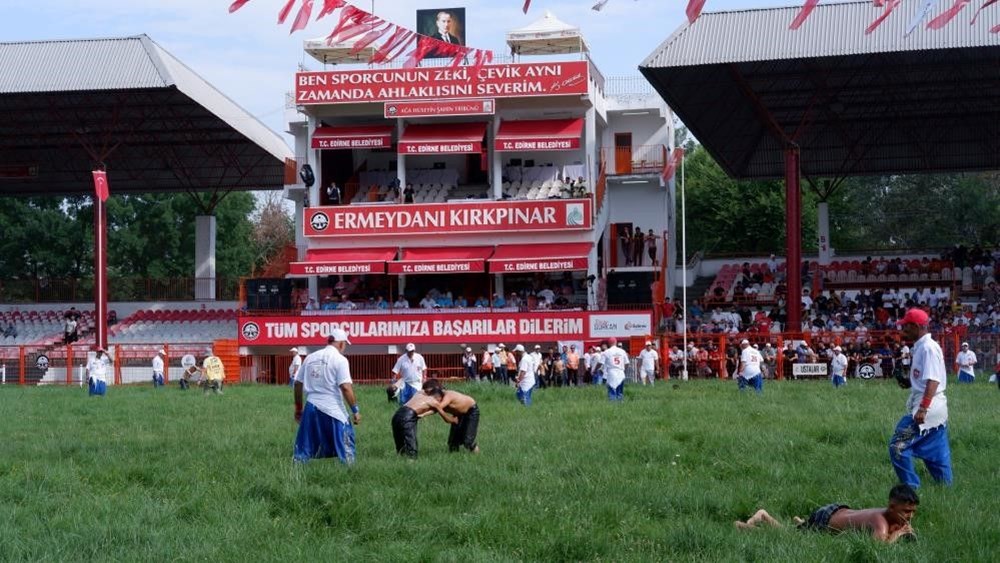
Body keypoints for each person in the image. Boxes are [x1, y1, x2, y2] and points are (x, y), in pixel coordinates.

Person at [890, 308, 952, 488]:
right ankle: (946, 489)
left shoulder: (928, 348)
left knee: (898, 446)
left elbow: (933, 380)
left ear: (916, 326)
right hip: (936, 407)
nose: (903, 330)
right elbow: (925, 378)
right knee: (937, 452)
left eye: (906, 327)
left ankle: (911, 487)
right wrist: (909, 383)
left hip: (929, 406)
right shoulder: (922, 346)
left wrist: (923, 408)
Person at [735, 484, 919, 544]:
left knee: (801, 529)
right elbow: (878, 548)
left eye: (912, 512)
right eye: (906, 511)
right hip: (825, 520)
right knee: (790, 537)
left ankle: (801, 522)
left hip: (836, 510)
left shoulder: (890, 514)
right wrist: (898, 534)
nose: (909, 516)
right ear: (892, 506)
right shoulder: (881, 522)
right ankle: (760, 517)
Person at [293, 329, 359, 464]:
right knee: (345, 443)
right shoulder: (340, 360)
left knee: (305, 444)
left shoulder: (310, 357)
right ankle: (350, 472)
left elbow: (298, 384)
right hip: (333, 408)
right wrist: (355, 410)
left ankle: (297, 472)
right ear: (341, 344)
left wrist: (299, 408)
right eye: (345, 344)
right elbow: (346, 387)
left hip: (311, 406)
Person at [390, 383, 456, 459]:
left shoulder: (419, 394)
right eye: (440, 400)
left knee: (399, 440)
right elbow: (446, 419)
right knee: (410, 440)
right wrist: (454, 420)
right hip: (408, 416)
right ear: (439, 397)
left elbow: (424, 390)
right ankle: (412, 461)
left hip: (397, 414)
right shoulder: (434, 402)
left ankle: (401, 458)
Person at [423, 379, 480, 454]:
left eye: (429, 392)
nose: (428, 395)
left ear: (436, 389)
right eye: (426, 392)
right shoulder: (436, 397)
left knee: (468, 440)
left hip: (471, 411)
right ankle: (454, 457)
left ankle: (477, 454)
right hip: (458, 414)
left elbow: (438, 408)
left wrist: (422, 414)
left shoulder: (448, 396)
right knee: (453, 442)